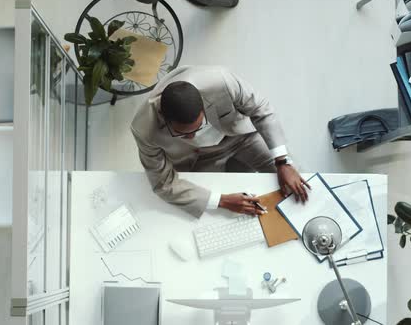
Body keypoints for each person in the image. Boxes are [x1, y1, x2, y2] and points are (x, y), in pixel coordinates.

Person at [131, 66, 310, 218]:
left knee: (298, 182)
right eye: (183, 134)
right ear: (164, 119)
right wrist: (222, 200)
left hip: (241, 138)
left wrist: (282, 161)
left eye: (199, 126)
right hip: (199, 160)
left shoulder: (221, 81)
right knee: (219, 214)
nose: (193, 137)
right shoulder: (144, 129)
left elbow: (260, 109)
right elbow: (163, 184)